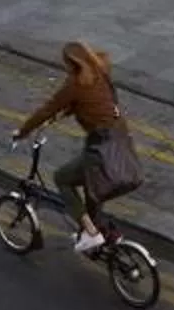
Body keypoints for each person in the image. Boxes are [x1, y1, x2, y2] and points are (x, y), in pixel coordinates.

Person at [12, 41, 128, 256]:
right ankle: (102, 233)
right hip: (120, 142)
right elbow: (88, 103)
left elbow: (46, 109)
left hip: (101, 148)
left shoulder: (75, 84)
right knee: (91, 187)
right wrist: (64, 114)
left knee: (62, 178)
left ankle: (91, 233)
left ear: (71, 64)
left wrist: (23, 132)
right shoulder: (101, 70)